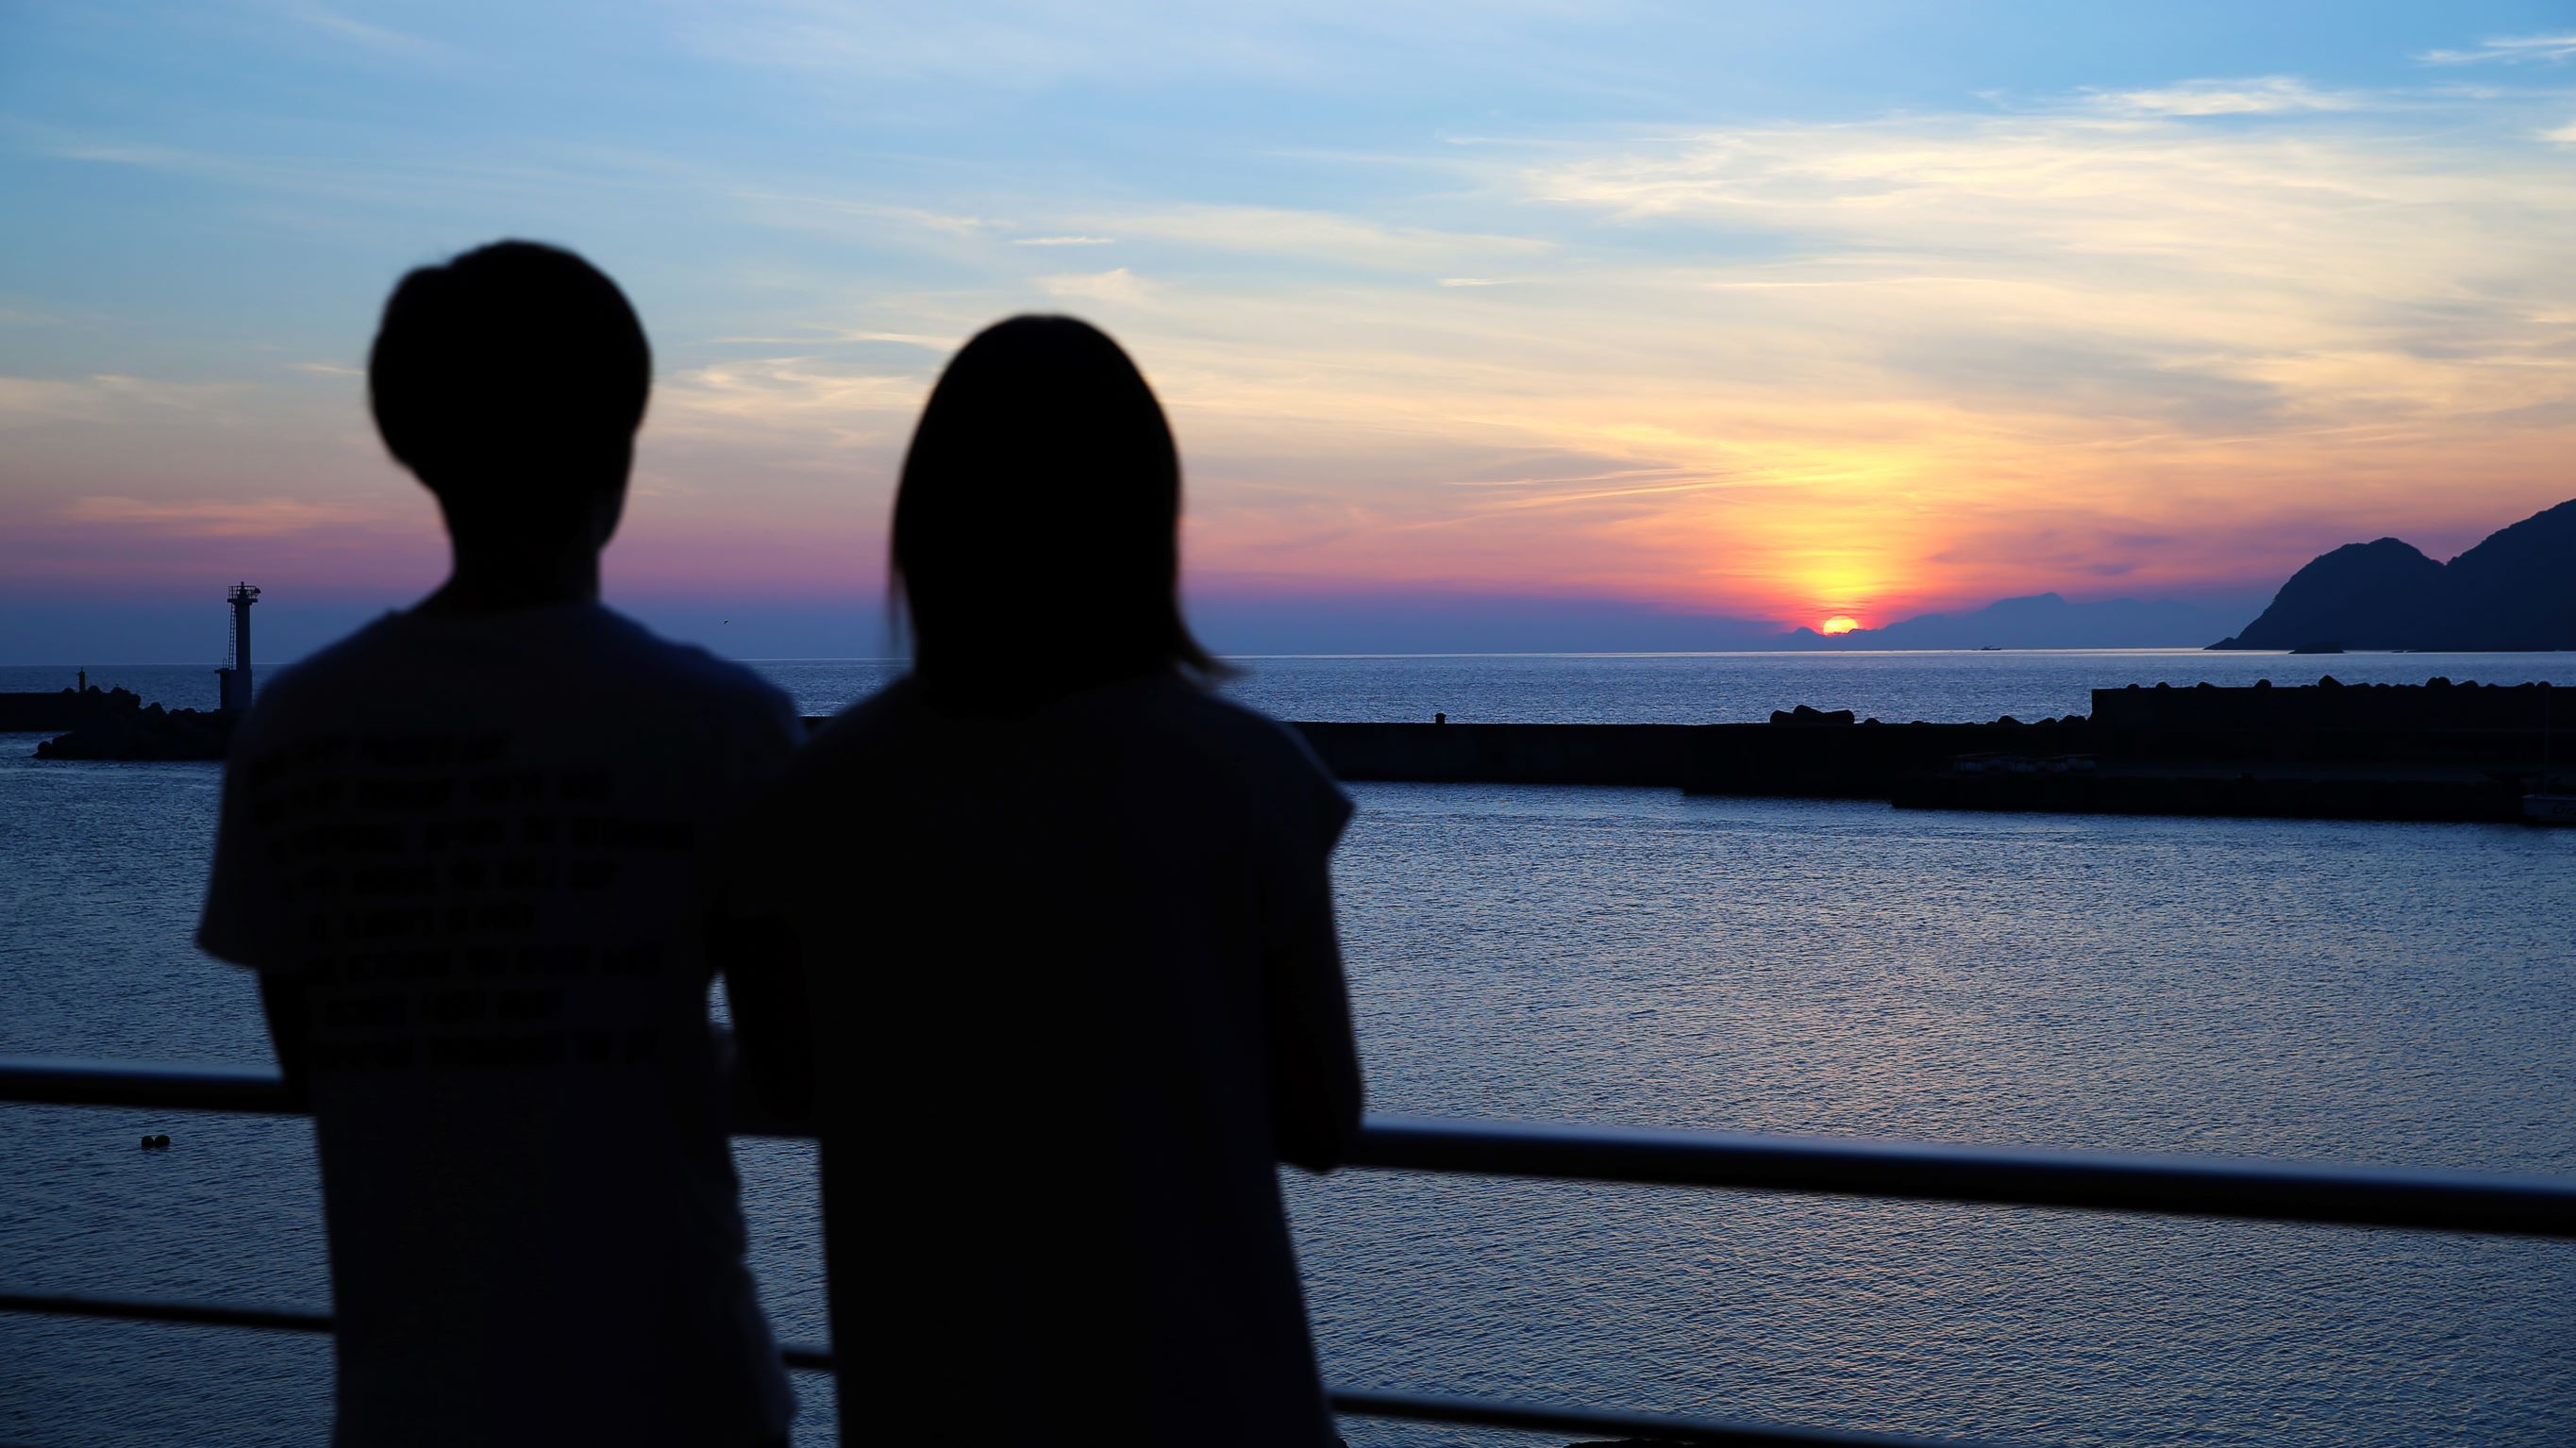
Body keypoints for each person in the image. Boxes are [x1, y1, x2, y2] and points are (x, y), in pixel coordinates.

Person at [197, 241, 798, 1446]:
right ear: (620, 447)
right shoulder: (728, 728)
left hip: (407, 1399)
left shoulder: (297, 731)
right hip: (678, 1388)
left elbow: (317, 1056)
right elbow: (791, 1060)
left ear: (413, 445)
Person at [728, 315, 1363, 1444]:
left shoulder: (818, 793)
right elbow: (1320, 1116)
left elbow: (785, 1079)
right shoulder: (1250, 777)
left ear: (928, 523)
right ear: (1144, 521)